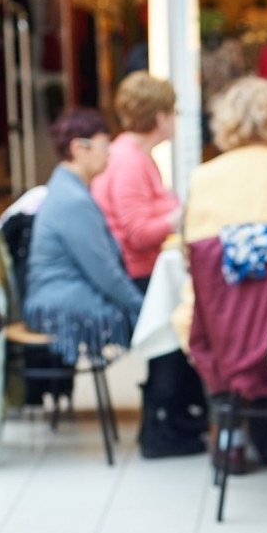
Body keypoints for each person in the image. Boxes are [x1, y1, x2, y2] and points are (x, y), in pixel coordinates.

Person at [178, 75, 267, 471]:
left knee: (195, 317)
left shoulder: (204, 176)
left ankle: (228, 427)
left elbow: (192, 259)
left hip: (224, 330)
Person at [93, 71, 207, 458]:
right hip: (136, 275)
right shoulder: (130, 161)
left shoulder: (133, 155)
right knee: (185, 317)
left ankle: (178, 417)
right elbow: (138, 232)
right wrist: (182, 215)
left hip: (144, 270)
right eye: (172, 112)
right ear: (159, 117)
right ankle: (165, 425)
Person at [24, 108, 142, 364]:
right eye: (104, 146)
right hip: (60, 306)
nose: (108, 154)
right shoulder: (74, 200)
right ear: (78, 148)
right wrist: (142, 306)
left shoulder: (65, 186)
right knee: (149, 317)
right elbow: (104, 272)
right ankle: (163, 387)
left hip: (51, 300)